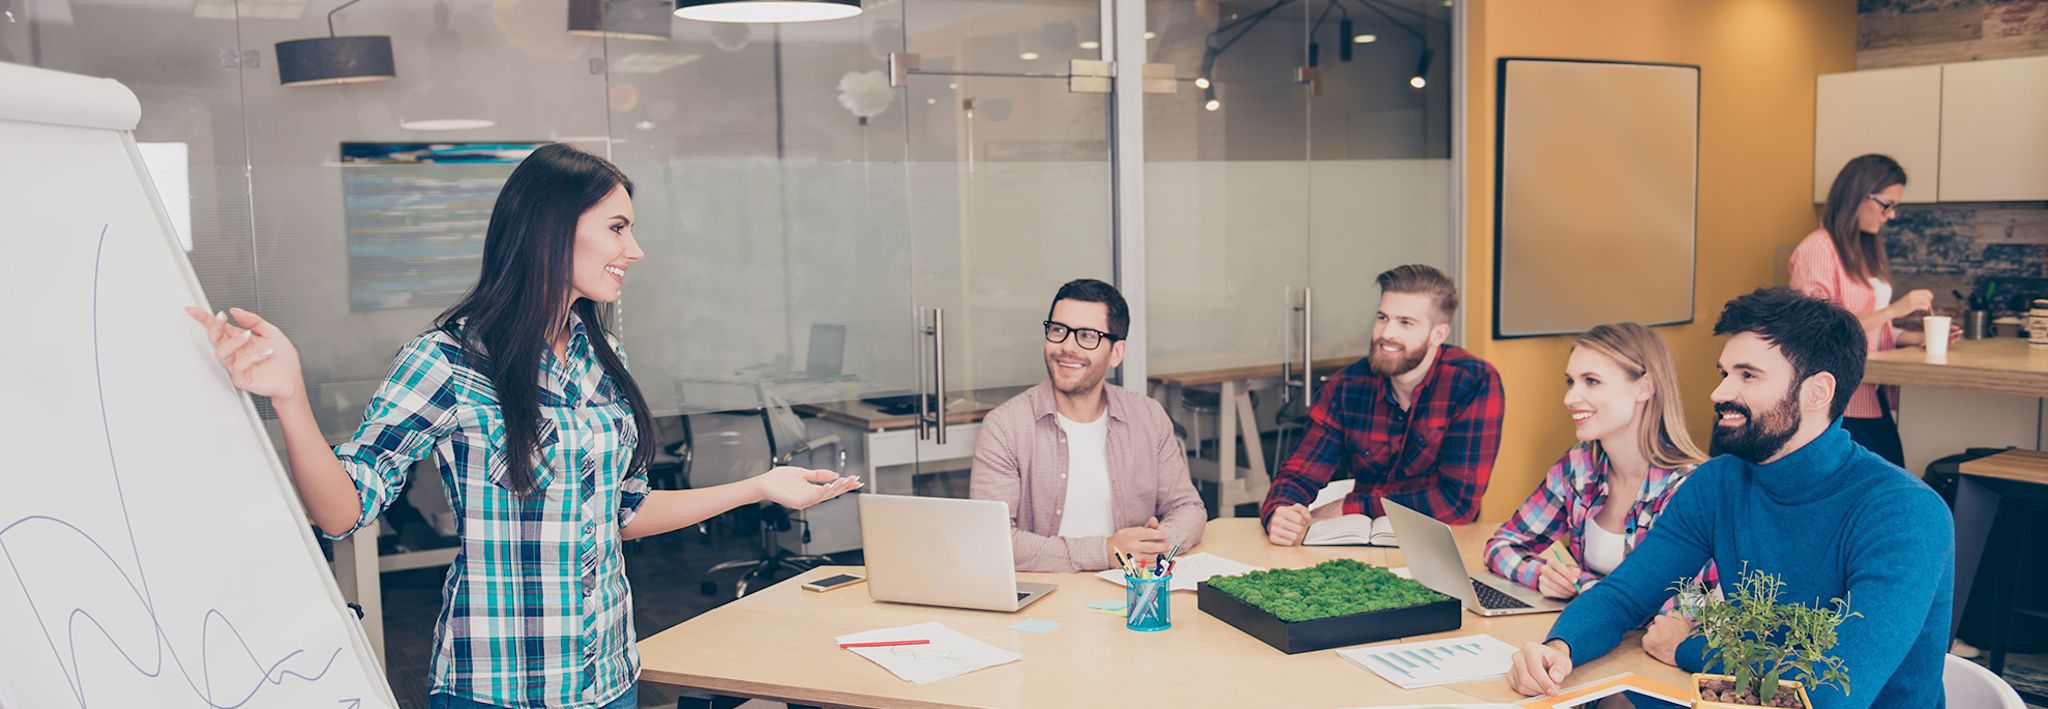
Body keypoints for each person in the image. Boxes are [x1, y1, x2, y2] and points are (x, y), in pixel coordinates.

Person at [186, 144, 859, 709]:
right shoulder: (447, 358)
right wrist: (291, 399)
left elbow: (623, 511)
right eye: (619, 228)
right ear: (554, 228)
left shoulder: (603, 358)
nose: (637, 249)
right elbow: (344, 510)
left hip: (608, 674)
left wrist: (760, 487)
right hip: (500, 686)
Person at [1506, 288, 1953, 709]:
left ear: (1817, 392)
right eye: (1724, 373)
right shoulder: (1719, 482)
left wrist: (1689, 648)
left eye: (1748, 376)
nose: (1719, 393)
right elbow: (1625, 595)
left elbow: (1833, 692)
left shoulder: (1906, 513)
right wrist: (1557, 648)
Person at [970, 278, 1207, 572]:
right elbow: (993, 539)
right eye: (1058, 331)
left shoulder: (1148, 417)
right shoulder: (1006, 426)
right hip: (1047, 596)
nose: (1067, 347)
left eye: (1086, 336)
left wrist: (1154, 545)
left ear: (1116, 353)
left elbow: (1188, 508)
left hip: (1129, 592)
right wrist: (1105, 552)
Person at [1262, 264, 1504, 546]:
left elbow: (1456, 502)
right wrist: (1280, 511)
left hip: (1443, 547)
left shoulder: (1473, 382)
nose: (1386, 333)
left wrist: (1350, 507)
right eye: (1382, 317)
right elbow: (1299, 473)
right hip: (1360, 548)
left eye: (1405, 323)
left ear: (1438, 335)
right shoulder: (1345, 387)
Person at [1483, 323, 1714, 608]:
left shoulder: (1688, 487)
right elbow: (1501, 545)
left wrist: (1581, 582)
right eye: (1571, 382)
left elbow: (1687, 605)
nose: (1569, 398)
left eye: (1591, 381)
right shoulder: (1579, 466)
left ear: (1645, 388)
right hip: (1589, 632)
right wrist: (1543, 574)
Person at [1790, 154, 1953, 467]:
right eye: (1886, 205)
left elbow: (1873, 328)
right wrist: (1895, 309)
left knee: (1889, 478)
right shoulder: (1818, 248)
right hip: (1839, 397)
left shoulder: (1864, 250)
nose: (1891, 216)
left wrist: (1914, 338)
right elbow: (1814, 330)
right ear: (1857, 195)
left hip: (1869, 389)